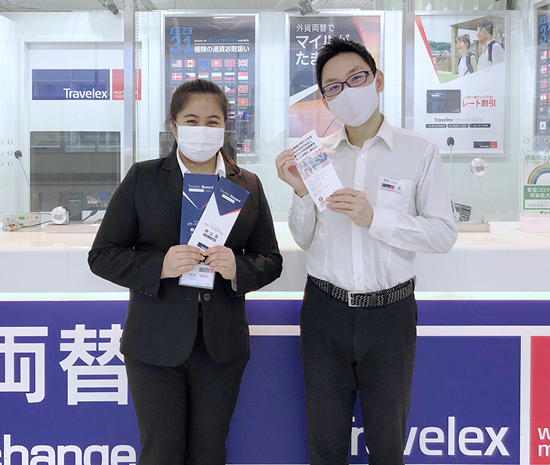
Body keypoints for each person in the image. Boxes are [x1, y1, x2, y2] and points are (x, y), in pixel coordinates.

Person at [276, 37, 457, 465]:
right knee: (325, 441)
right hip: (325, 310)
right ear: (324, 98)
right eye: (333, 86)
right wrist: (301, 193)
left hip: (389, 315)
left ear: (377, 79)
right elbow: (304, 238)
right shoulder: (317, 157)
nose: (347, 91)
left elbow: (443, 235)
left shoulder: (419, 152)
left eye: (355, 78)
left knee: (388, 442)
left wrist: (375, 218)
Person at [89, 79, 282, 465]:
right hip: (154, 344)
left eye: (213, 121)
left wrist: (236, 268)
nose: (203, 129)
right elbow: (102, 255)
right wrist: (158, 265)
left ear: (226, 127)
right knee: (161, 452)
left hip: (220, 347)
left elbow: (270, 259)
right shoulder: (143, 178)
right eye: (192, 120)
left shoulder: (246, 184)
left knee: (210, 453)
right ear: (174, 125)